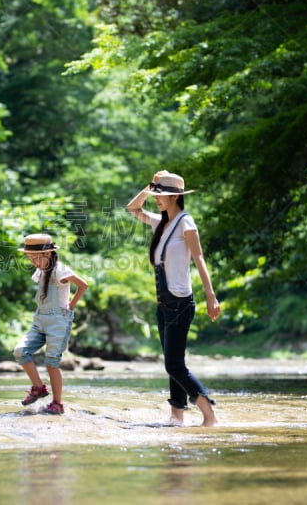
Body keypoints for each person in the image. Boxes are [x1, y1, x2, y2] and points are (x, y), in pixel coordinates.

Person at [126, 170, 221, 427]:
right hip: (163, 303)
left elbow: (199, 259)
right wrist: (149, 187)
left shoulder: (185, 223)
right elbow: (132, 208)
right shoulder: (161, 223)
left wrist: (211, 297)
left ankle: (209, 414)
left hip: (180, 302)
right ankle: (176, 416)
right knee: (172, 362)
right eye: (157, 194)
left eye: (162, 195)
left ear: (176, 196)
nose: (157, 199)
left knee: (174, 364)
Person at [12, 234, 88, 415]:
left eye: (35, 258)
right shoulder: (40, 272)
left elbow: (83, 285)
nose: (32, 261)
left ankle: (57, 402)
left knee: (51, 362)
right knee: (20, 351)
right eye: (29, 258)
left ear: (47, 254)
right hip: (40, 320)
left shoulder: (60, 270)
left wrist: (70, 305)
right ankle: (38, 387)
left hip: (58, 321)